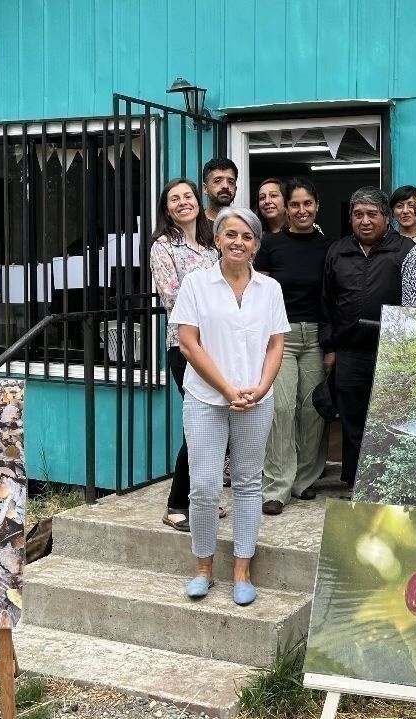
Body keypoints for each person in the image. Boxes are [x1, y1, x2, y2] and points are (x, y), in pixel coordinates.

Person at [168, 207, 288, 606]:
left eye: (247, 236)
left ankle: (242, 570)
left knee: (249, 482)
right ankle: (202, 567)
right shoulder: (196, 284)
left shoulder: (269, 288)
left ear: (256, 244)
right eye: (231, 235)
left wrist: (261, 386)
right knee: (203, 486)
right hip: (206, 398)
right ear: (217, 239)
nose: (239, 242)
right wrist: (227, 389)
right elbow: (188, 343)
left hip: (257, 398)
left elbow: (276, 344)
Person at [321, 187, 415, 489]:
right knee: (351, 419)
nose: (365, 220)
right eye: (358, 214)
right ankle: (353, 481)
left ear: (386, 218)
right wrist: (330, 347)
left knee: (389, 419)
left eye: (372, 214)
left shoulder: (405, 251)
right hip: (349, 351)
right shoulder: (338, 250)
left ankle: (388, 483)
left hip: (392, 352)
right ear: (350, 218)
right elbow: (327, 302)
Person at [253, 178, 333, 514]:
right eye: (295, 204)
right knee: (281, 409)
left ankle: (304, 480)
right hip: (279, 337)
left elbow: (332, 296)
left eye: (307, 204)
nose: (302, 210)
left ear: (317, 205)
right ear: (287, 207)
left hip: (315, 335)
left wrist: (331, 344)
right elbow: (258, 293)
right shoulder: (271, 245)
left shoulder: (330, 246)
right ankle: (276, 487)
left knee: (312, 410)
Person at [149, 179, 221, 533]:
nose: (182, 203)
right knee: (199, 424)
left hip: (219, 347)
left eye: (187, 197)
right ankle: (176, 504)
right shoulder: (163, 247)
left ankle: (203, 500)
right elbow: (173, 299)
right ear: (166, 208)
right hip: (186, 347)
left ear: (198, 201)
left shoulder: (211, 246)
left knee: (217, 422)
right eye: (174, 199)